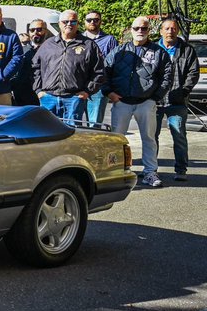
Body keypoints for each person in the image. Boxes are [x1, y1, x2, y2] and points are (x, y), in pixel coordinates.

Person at [103, 15, 172, 188]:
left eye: (144, 28)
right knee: (117, 139)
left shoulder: (158, 52)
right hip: (122, 102)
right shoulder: (119, 51)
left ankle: (149, 172)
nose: (140, 31)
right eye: (137, 28)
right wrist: (109, 93)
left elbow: (167, 76)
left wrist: (155, 98)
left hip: (146, 102)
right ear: (130, 30)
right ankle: (116, 172)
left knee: (149, 138)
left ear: (149, 30)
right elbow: (105, 72)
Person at [32, 11, 106, 123]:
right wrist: (38, 90)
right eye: (65, 21)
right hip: (48, 98)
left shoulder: (88, 45)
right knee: (47, 133)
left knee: (71, 135)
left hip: (74, 99)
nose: (69, 24)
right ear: (59, 24)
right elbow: (35, 67)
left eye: (73, 21)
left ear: (78, 23)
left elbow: (99, 71)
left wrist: (87, 91)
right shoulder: (48, 44)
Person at [153, 18, 199, 182]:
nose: (170, 31)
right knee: (152, 137)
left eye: (173, 28)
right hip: (155, 101)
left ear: (177, 30)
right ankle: (151, 170)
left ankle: (181, 170)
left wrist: (183, 92)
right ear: (161, 31)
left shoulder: (187, 50)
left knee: (179, 136)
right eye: (167, 28)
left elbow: (193, 74)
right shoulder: (153, 49)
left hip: (177, 102)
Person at [82, 10, 118, 124]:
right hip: (78, 86)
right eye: (89, 20)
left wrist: (111, 87)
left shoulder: (109, 40)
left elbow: (114, 64)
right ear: (84, 22)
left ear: (100, 22)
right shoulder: (78, 39)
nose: (92, 22)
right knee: (74, 122)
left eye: (96, 20)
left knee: (94, 124)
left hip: (99, 87)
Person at [12, 19, 50, 107]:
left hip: (45, 96)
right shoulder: (22, 50)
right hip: (22, 97)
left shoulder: (52, 49)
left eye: (39, 29)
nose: (35, 32)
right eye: (32, 30)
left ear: (46, 31)